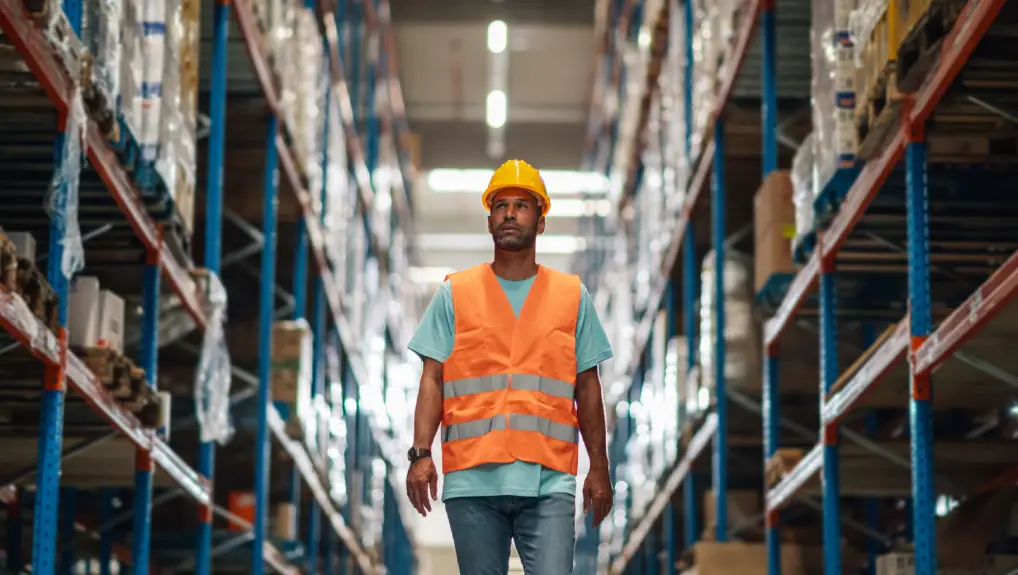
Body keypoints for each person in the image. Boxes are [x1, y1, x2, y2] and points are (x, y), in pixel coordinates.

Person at [405, 159, 614, 574]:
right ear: (489, 222)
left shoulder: (571, 296)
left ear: (540, 222)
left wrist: (600, 470)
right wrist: (420, 454)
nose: (510, 214)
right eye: (501, 206)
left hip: (548, 479)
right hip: (472, 481)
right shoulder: (455, 293)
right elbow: (432, 377)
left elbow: (587, 389)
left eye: (522, 205)